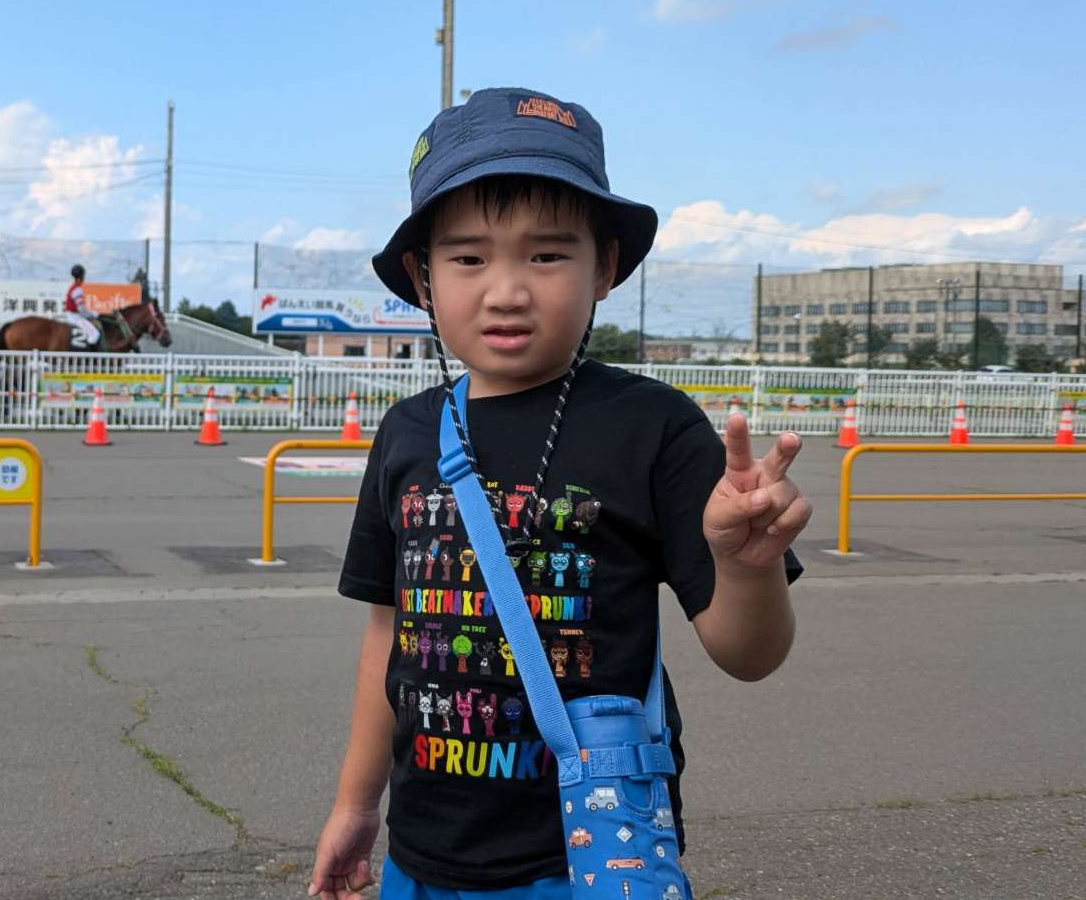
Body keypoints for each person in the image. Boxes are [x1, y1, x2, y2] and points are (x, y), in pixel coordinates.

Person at [309, 88, 808, 900]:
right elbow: (388, 638)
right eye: (468, 259)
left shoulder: (653, 428)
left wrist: (746, 567)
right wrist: (356, 804)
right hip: (421, 857)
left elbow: (750, 656)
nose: (507, 290)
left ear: (603, 266)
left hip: (590, 858)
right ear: (421, 276)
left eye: (546, 256)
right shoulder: (407, 433)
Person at [60, 263, 100, 349]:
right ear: (81, 276)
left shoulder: (74, 287)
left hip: (73, 315)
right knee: (95, 334)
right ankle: (88, 353)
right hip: (76, 318)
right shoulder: (77, 289)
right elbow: (81, 309)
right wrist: (92, 315)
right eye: (83, 276)